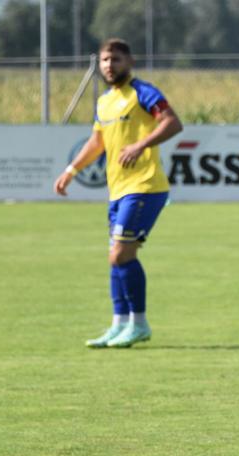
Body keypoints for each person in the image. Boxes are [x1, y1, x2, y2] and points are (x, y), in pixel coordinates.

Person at [54, 38, 183, 348]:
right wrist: (72, 170)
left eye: (116, 59)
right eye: (105, 61)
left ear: (130, 62)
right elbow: (96, 142)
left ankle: (139, 323)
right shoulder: (104, 102)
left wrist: (140, 145)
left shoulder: (143, 92)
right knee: (116, 258)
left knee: (120, 253)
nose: (110, 65)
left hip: (145, 186)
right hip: (118, 190)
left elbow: (173, 123)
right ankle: (119, 324)